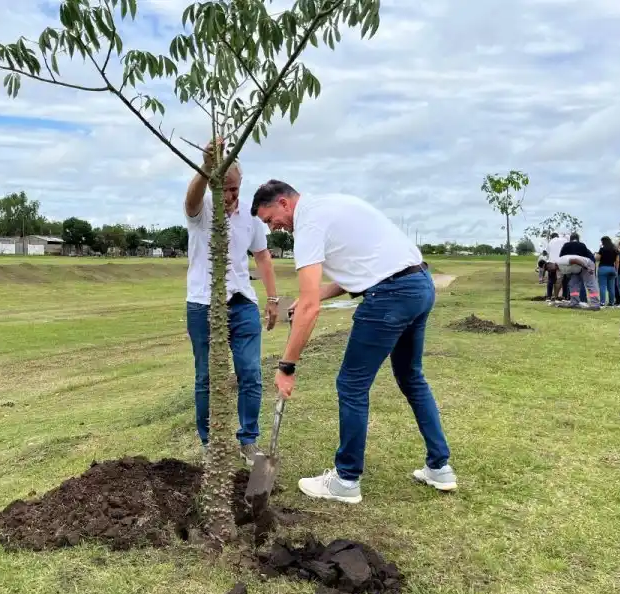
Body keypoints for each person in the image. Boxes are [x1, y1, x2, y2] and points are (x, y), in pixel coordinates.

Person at [250, 180, 456, 504]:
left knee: (352, 385)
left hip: (390, 296)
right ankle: (440, 468)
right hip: (419, 285)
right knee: (411, 377)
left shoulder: (308, 224)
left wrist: (286, 366)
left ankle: (346, 479)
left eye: (269, 219)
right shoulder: (330, 205)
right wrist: (318, 293)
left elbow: (309, 309)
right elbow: (363, 268)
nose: (272, 227)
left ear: (283, 203)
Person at [184, 140, 280, 465]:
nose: (228, 196)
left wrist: (273, 298)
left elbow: (262, 256)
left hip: (242, 302)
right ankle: (209, 443)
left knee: (250, 372)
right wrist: (206, 166)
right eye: (222, 187)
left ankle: (248, 440)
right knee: (206, 376)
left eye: (234, 189)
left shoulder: (250, 217)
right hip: (203, 303)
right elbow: (190, 200)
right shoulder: (202, 210)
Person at [559, 233, 595, 304]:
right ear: (578, 239)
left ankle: (574, 300)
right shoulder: (582, 245)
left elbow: (561, 256)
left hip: (572, 267)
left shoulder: (566, 245)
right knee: (582, 284)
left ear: (570, 239)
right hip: (582, 266)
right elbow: (587, 257)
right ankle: (584, 300)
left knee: (573, 284)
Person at [595, 236, 619, 307]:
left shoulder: (602, 249)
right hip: (612, 268)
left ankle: (602, 302)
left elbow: (597, 258)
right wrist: (616, 270)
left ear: (603, 242)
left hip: (603, 268)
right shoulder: (615, 250)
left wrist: (599, 251)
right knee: (611, 287)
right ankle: (611, 302)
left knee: (602, 286)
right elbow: (617, 261)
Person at [545, 233, 566, 302]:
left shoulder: (550, 242)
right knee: (561, 280)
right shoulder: (563, 240)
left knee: (551, 280)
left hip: (551, 263)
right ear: (557, 236)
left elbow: (547, 253)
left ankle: (549, 297)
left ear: (551, 237)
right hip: (561, 262)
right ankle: (560, 296)